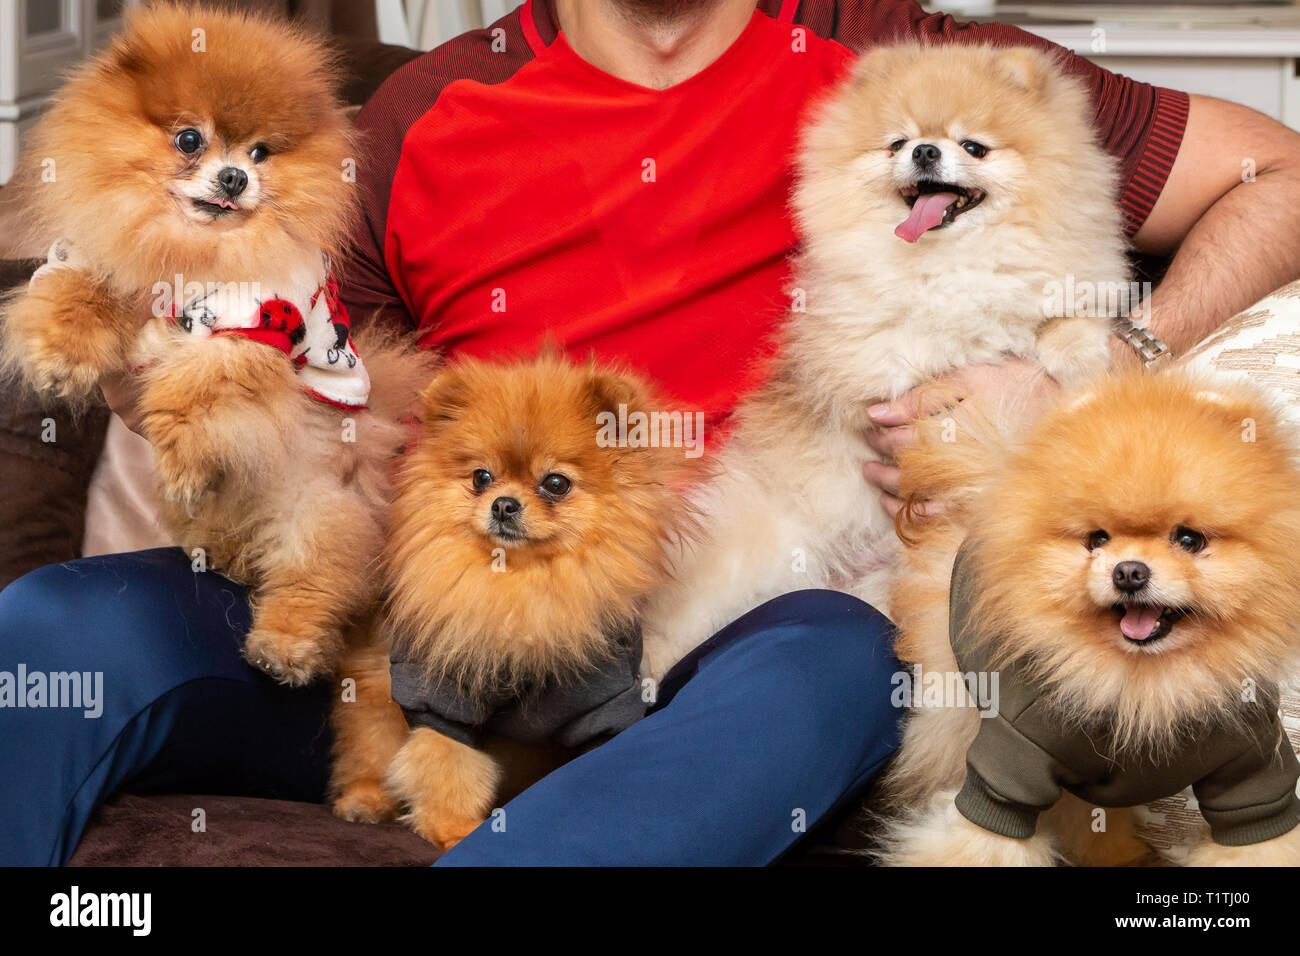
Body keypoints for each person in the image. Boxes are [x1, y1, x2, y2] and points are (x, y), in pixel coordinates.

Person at [3, 0, 1298, 866]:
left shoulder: (900, 64)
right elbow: (318, 389)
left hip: (759, 631)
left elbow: (1274, 176)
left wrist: (1090, 376)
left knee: (846, 658)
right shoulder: (420, 117)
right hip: (456, 620)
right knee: (60, 629)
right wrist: (180, 376)